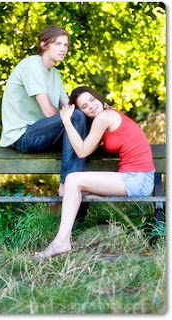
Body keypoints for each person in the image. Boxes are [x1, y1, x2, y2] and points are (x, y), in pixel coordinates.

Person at [35, 86, 155, 258]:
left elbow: (82, 151)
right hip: (136, 178)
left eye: (92, 100)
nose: (90, 106)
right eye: (84, 106)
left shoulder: (105, 117)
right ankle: (64, 238)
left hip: (137, 179)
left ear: (98, 97)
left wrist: (67, 121)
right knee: (74, 187)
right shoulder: (106, 116)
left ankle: (61, 242)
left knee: (72, 180)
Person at [0, 26, 87, 196]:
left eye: (66, 45)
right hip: (22, 136)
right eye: (58, 44)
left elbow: (68, 106)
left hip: (41, 133)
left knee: (80, 119)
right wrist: (73, 117)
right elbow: (49, 112)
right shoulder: (32, 65)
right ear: (43, 44)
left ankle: (76, 191)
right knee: (75, 118)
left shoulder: (55, 74)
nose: (63, 49)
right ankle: (67, 187)